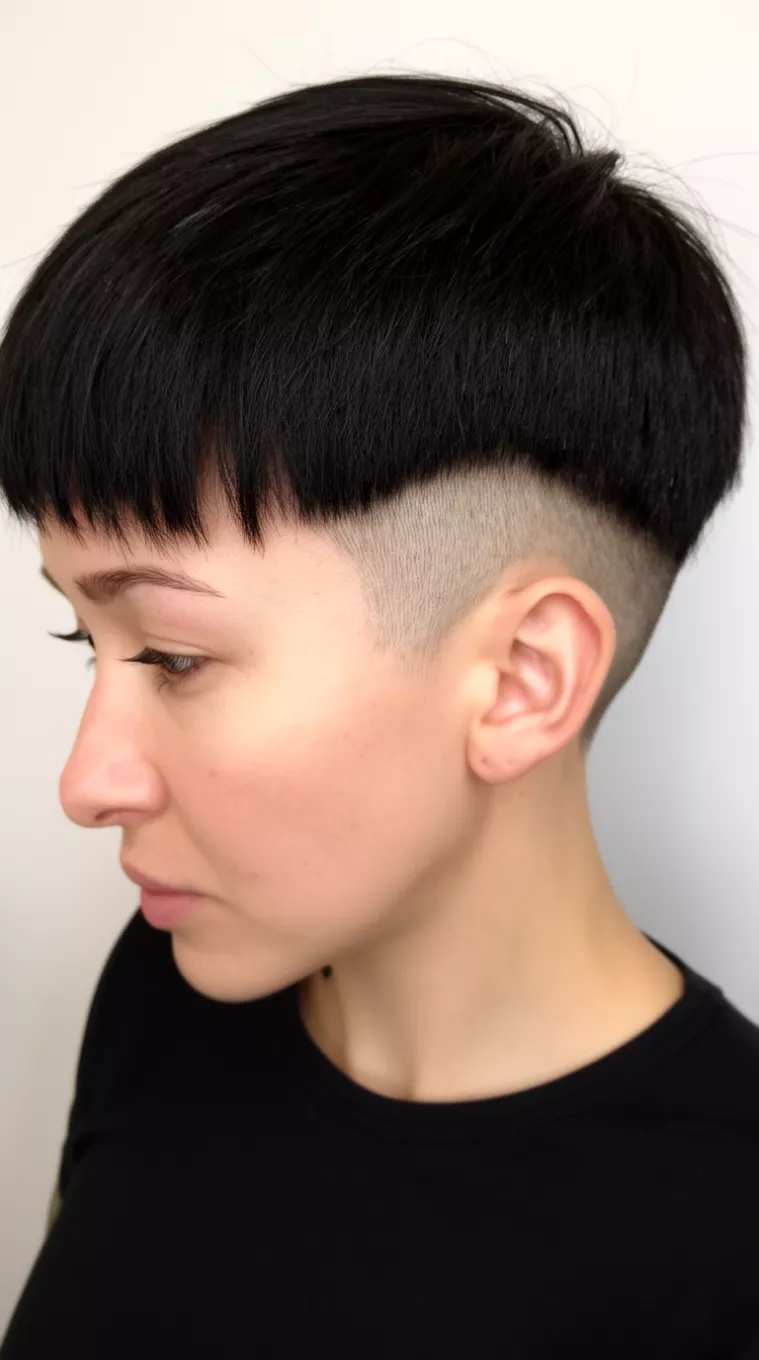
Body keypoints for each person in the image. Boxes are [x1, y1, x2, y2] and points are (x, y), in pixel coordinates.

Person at [0, 70, 757, 1359]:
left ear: (524, 678)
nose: (86, 781)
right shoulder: (164, 997)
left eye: (174, 655)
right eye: (87, 633)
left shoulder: (731, 1253)